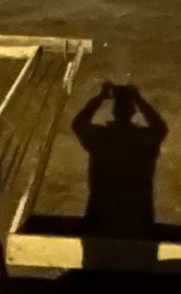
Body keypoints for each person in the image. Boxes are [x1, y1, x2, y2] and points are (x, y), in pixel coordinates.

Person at [70, 81, 166, 237]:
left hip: (101, 214)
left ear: (113, 112)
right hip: (137, 214)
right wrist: (139, 99)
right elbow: (160, 127)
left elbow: (78, 123)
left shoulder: (101, 138)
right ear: (133, 111)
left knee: (97, 256)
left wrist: (100, 98)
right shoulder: (142, 139)